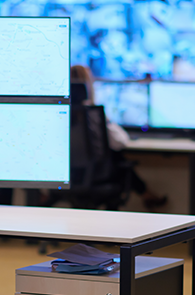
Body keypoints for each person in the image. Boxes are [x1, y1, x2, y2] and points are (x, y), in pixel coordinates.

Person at [70, 65, 167, 208]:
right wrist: (107, 122)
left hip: (67, 177)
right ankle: (146, 194)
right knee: (117, 158)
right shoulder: (93, 114)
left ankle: (146, 194)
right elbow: (120, 142)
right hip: (94, 176)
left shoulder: (56, 114)